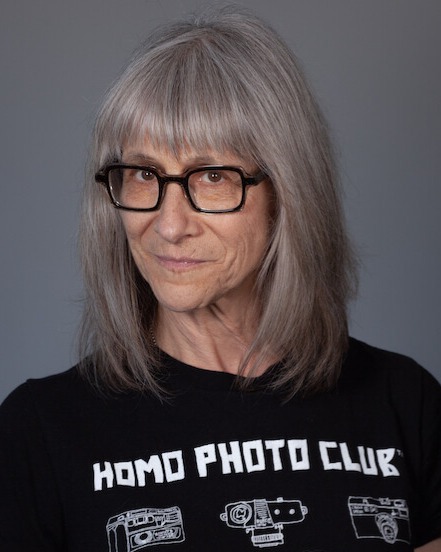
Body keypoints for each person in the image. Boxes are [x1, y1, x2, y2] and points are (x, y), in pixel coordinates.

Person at [0, 7, 440, 551]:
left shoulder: (405, 403)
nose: (169, 225)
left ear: (288, 193)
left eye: (212, 176)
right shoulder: (40, 432)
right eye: (143, 174)